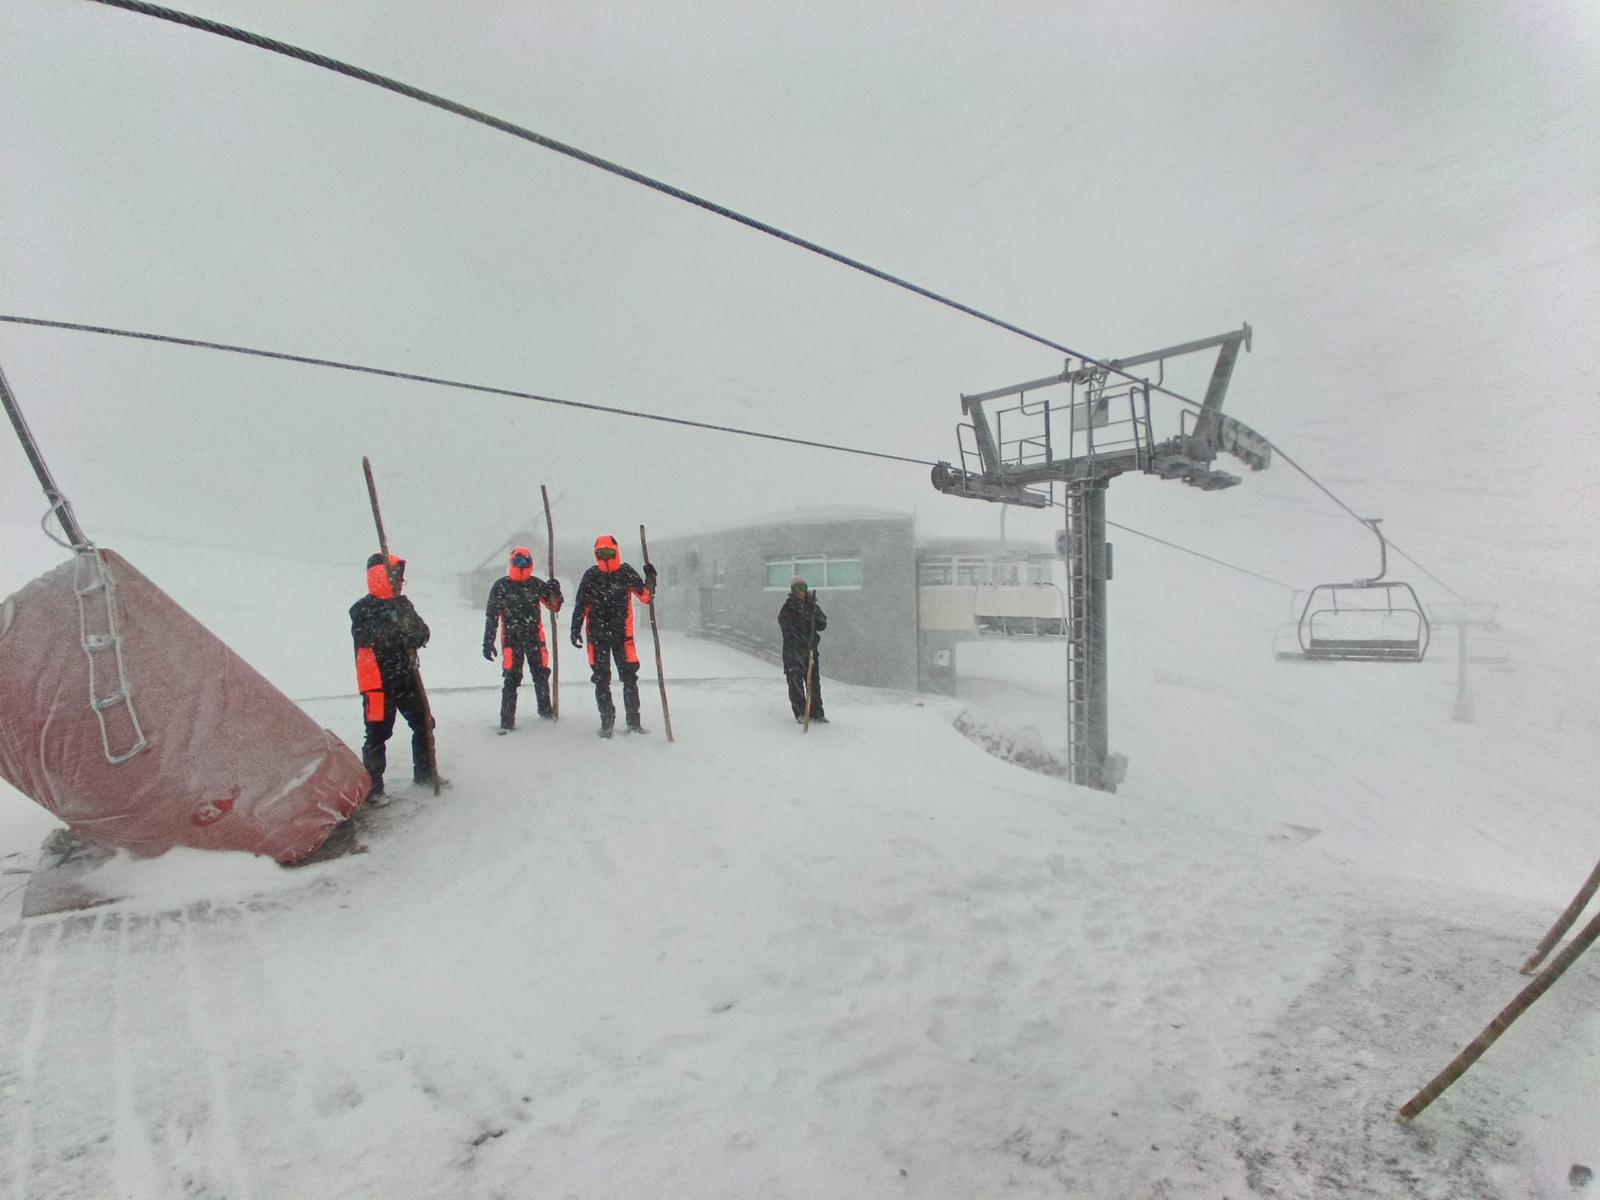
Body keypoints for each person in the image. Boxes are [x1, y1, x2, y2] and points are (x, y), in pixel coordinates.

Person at [350, 552, 439, 801]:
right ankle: (373, 790)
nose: (401, 583)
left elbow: (423, 632)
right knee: (377, 734)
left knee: (424, 723)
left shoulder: (403, 605)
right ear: (383, 577)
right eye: (398, 578)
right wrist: (399, 634)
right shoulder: (362, 610)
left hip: (406, 676)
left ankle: (425, 773)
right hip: (377, 682)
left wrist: (413, 635)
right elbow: (374, 640)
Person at [569, 534, 656, 738]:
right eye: (601, 553)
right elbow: (581, 606)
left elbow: (645, 597)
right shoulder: (591, 575)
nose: (605, 557)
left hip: (622, 637)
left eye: (609, 552)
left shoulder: (625, 572)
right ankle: (607, 723)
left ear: (616, 552)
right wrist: (575, 629)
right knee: (601, 680)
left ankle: (634, 722)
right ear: (596, 554)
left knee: (629, 679)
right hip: (597, 638)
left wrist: (651, 580)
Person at [482, 545, 563, 732]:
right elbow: (492, 616)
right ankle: (506, 722)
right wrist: (488, 641)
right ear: (511, 563)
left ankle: (546, 713)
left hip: (535, 638)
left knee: (541, 675)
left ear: (531, 564)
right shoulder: (501, 586)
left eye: (525, 561)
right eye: (518, 561)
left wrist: (555, 592)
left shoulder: (536, 584)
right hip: (511, 640)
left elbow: (554, 606)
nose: (521, 565)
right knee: (511, 679)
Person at [778, 576, 828, 724]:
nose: (800, 591)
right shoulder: (788, 607)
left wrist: (816, 617)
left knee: (813, 681)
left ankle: (816, 712)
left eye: (803, 588)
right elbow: (786, 628)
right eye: (796, 589)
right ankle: (800, 712)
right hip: (793, 652)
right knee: (795, 682)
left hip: (811, 651)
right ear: (792, 591)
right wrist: (800, 638)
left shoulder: (812, 606)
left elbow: (822, 625)